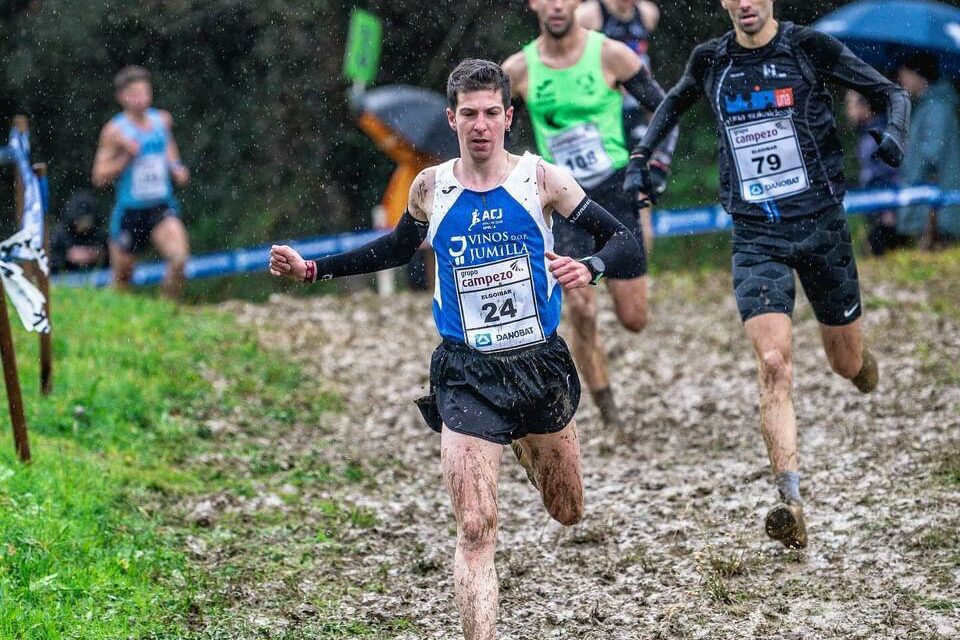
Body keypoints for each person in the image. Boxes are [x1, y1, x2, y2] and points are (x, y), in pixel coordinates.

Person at [269, 59, 641, 640]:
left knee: (568, 510)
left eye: (492, 113)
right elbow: (393, 250)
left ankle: (522, 443)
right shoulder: (430, 186)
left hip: (537, 364)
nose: (480, 125)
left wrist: (589, 267)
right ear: (452, 119)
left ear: (508, 118)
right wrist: (313, 268)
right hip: (465, 374)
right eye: (469, 114)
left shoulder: (540, 179)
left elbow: (625, 242)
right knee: (475, 527)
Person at [631, 0, 910, 549]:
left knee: (844, 360)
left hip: (823, 227)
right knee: (773, 362)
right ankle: (791, 500)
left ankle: (860, 364)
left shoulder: (808, 48)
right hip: (757, 235)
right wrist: (643, 158)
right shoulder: (712, 60)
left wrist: (894, 134)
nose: (745, 4)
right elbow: (672, 104)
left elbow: (891, 92)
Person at [503, 0, 674, 439]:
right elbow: (491, 132)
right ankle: (611, 414)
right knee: (580, 306)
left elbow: (666, 109)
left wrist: (654, 166)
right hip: (561, 200)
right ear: (534, 5)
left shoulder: (611, 54)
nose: (558, 5)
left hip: (614, 192)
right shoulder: (518, 70)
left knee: (634, 318)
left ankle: (610, 375)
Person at [576, 0, 666, 257]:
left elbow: (646, 68)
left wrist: (652, 110)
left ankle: (640, 268)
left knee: (640, 194)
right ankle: (591, 262)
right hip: (601, 116)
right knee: (593, 190)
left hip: (636, 112)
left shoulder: (648, 13)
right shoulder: (588, 15)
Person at [92, 65, 191, 297]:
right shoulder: (115, 131)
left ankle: (166, 312)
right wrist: (125, 158)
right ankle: (116, 325)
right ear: (121, 97)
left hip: (160, 207)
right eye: (134, 94)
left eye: (145, 92)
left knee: (179, 260)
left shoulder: (162, 121)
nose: (141, 99)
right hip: (130, 213)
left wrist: (176, 168)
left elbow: (168, 148)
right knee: (123, 280)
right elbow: (98, 176)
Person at [897, 53, 960, 248]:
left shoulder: (936, 107)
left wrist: (930, 218)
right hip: (933, 208)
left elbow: (932, 157)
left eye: (905, 74)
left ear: (918, 75)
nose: (901, 80)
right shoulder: (930, 105)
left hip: (936, 211)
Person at [843, 90, 903, 256]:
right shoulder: (871, 133)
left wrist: (887, 214)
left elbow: (891, 174)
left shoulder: (878, 135)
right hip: (880, 215)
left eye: (850, 104)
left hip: (887, 218)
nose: (847, 110)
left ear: (866, 107)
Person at [50, 190, 109, 274]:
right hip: (66, 276)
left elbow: (111, 257)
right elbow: (49, 261)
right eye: (81, 220)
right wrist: (67, 257)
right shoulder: (60, 235)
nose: (85, 224)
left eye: (88, 220)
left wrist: (97, 255)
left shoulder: (98, 234)